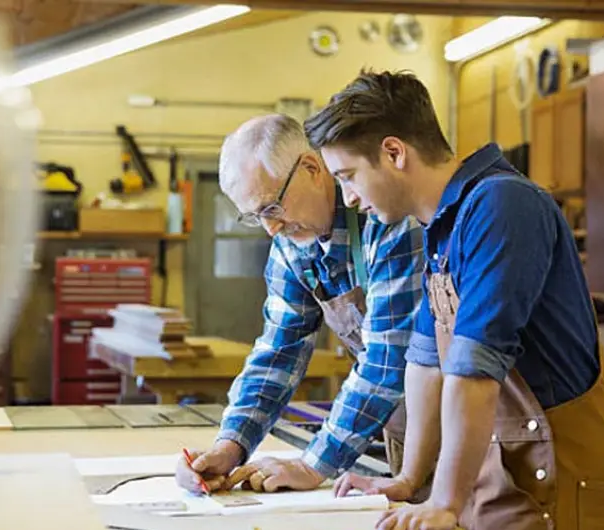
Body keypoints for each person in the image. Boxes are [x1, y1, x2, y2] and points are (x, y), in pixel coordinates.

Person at [304, 70, 604, 530]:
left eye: (349, 177)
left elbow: (473, 368)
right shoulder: (442, 227)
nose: (349, 199)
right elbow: (426, 364)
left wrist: (443, 500)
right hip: (501, 491)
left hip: (557, 497)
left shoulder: (502, 205)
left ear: (395, 153)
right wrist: (411, 480)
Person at [175, 113, 424, 495]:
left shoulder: (386, 219)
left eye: (272, 207)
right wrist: (231, 446)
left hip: (469, 426)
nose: (271, 228)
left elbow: (387, 359)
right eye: (255, 217)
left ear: (311, 168)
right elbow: (279, 351)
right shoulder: (292, 246)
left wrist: (312, 465)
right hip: (402, 429)